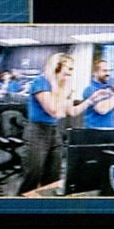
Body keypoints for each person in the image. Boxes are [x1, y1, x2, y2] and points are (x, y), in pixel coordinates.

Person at [17, 51, 77, 195]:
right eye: (68, 68)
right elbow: (54, 110)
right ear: (56, 67)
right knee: (33, 176)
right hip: (36, 132)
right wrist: (60, 87)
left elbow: (64, 112)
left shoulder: (59, 86)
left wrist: (62, 89)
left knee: (53, 176)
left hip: (53, 130)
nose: (70, 73)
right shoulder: (41, 82)